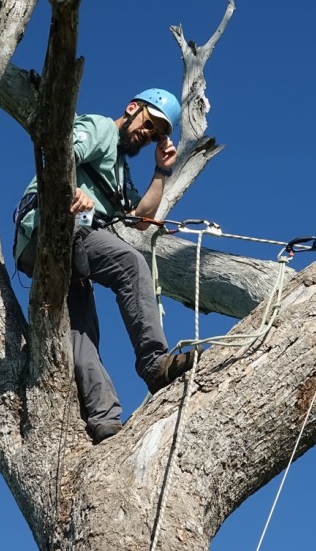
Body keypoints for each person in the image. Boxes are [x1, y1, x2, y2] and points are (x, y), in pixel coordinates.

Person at [12, 89, 195, 444]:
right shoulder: (100, 128)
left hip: (62, 253)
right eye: (149, 124)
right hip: (51, 227)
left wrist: (161, 171)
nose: (149, 134)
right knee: (130, 264)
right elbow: (59, 157)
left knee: (81, 333)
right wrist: (71, 192)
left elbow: (141, 220)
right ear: (132, 108)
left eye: (157, 133)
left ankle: (102, 420)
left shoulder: (120, 171)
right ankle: (154, 362)